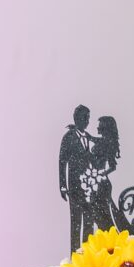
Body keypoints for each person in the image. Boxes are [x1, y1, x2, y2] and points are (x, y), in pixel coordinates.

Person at [58, 105, 95, 253]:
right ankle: (75, 256)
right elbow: (62, 162)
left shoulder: (87, 137)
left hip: (89, 187)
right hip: (74, 187)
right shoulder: (69, 137)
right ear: (76, 118)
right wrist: (62, 185)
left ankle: (88, 255)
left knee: (89, 221)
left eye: (88, 118)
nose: (86, 121)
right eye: (83, 118)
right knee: (76, 222)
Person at [89, 116, 131, 233]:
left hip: (102, 184)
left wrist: (99, 175)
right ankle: (108, 235)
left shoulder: (107, 143)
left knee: (102, 214)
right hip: (98, 182)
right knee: (98, 213)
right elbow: (91, 138)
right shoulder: (103, 141)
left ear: (105, 128)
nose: (97, 127)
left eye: (100, 125)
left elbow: (113, 167)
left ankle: (111, 237)